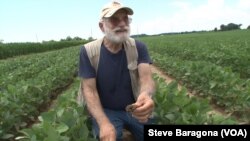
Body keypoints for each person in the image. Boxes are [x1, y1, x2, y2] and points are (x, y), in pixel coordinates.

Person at [78, 1, 155, 141]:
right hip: (106, 111)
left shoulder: (139, 47)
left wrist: (145, 94)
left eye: (125, 18)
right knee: (111, 136)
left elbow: (146, 79)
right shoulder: (88, 51)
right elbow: (89, 91)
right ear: (102, 26)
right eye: (114, 19)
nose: (122, 24)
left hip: (134, 108)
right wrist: (103, 123)